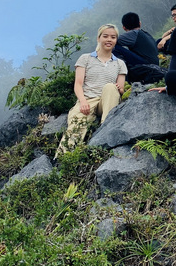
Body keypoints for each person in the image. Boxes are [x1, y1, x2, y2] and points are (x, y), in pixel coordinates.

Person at [56, 24, 127, 158]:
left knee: (111, 87)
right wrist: (82, 101)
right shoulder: (86, 58)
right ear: (98, 38)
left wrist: (119, 89)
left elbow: (121, 89)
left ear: (116, 40)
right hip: (88, 100)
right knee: (76, 126)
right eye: (105, 36)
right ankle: (63, 159)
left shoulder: (119, 63)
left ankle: (105, 128)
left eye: (113, 37)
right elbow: (78, 84)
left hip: (107, 101)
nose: (109, 40)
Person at [114, 12, 166, 84]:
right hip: (154, 64)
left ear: (124, 27)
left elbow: (112, 41)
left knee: (114, 48)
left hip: (147, 65)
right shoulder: (146, 34)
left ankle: (124, 75)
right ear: (139, 23)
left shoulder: (132, 34)